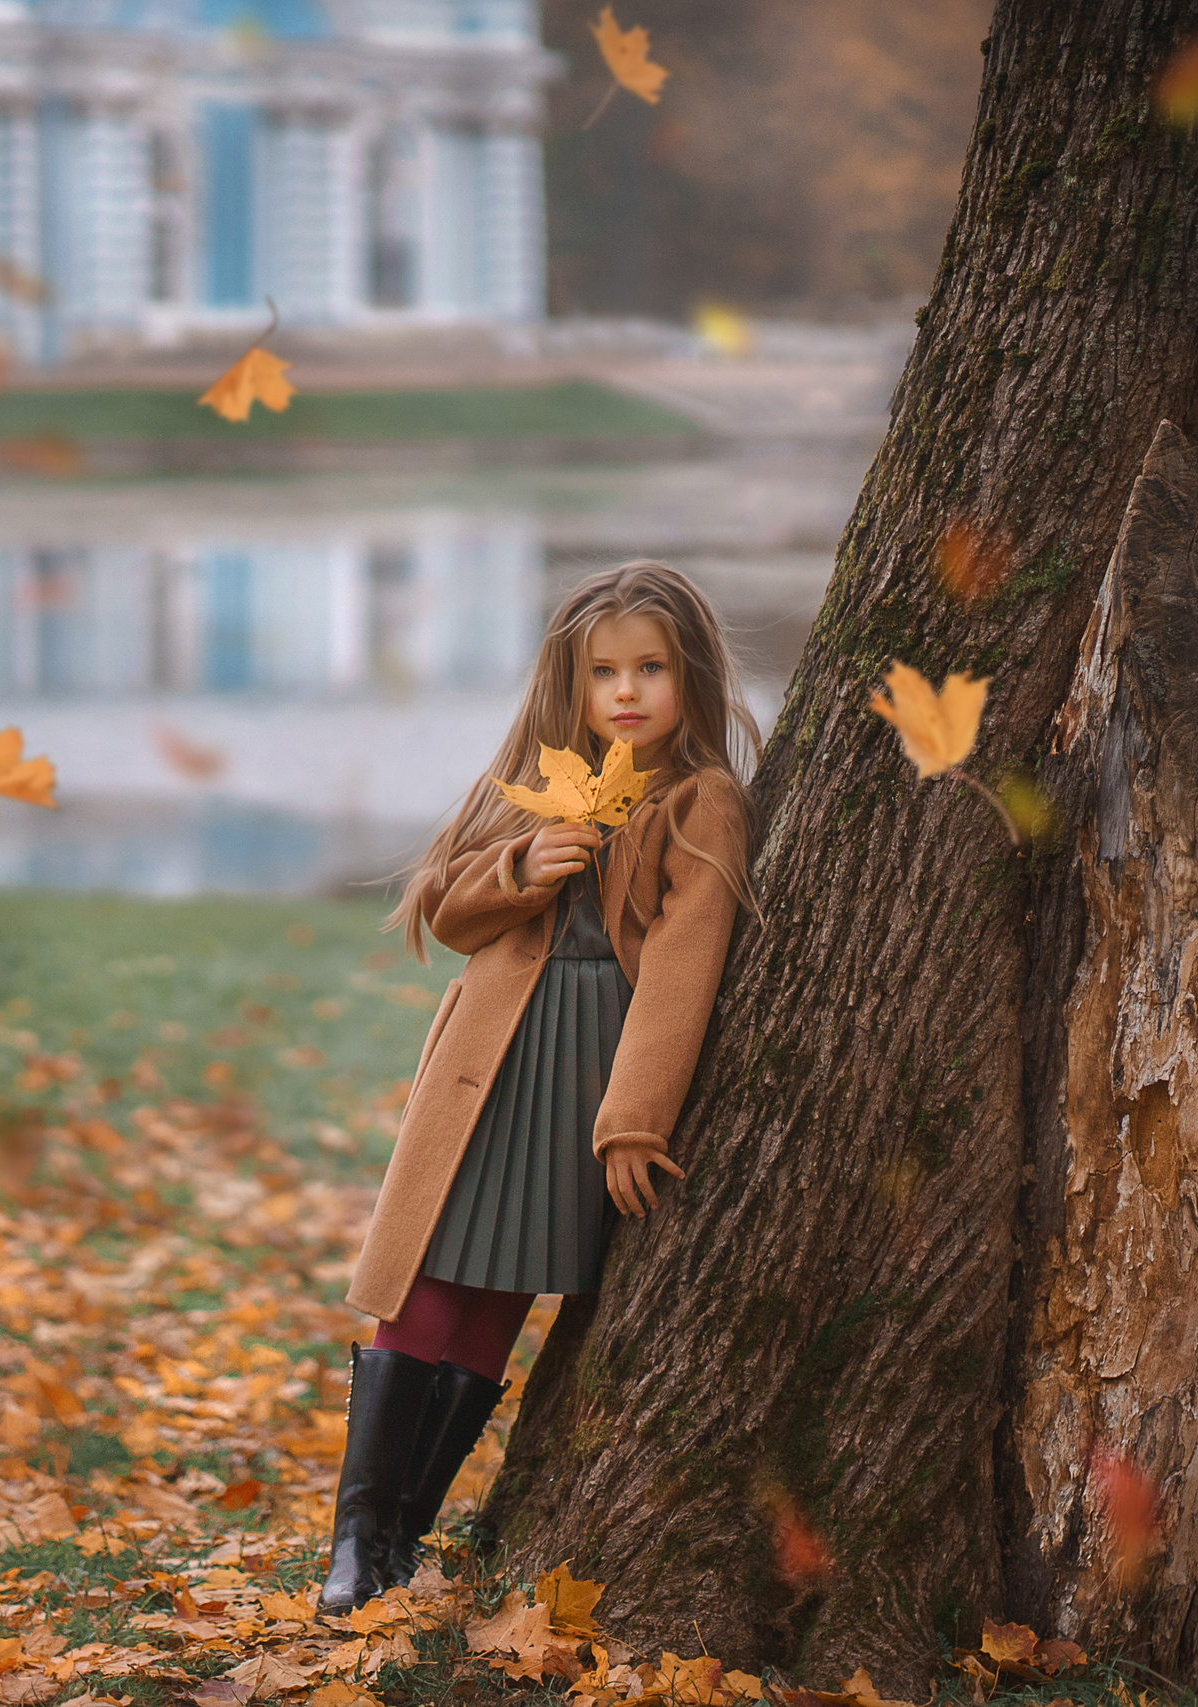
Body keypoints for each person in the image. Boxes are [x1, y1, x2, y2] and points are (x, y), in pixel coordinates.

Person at [318, 561, 759, 1611]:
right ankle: (357, 1542)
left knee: (496, 1299)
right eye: (602, 672)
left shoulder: (701, 801)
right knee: (430, 1280)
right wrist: (522, 865)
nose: (625, 692)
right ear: (568, 686)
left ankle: (401, 1539)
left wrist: (632, 1120)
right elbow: (444, 907)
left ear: (688, 676)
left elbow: (685, 966)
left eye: (649, 669)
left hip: (587, 1078)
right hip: (491, 1065)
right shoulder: (535, 781)